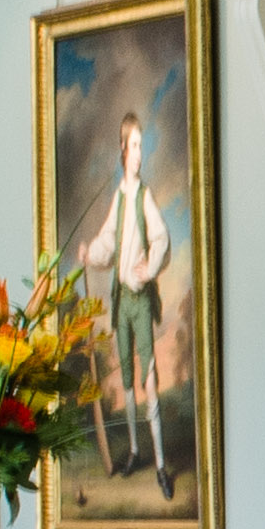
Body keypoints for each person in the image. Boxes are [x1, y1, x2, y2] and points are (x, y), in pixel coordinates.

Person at [83, 102, 178, 481]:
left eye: (142, 145)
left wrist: (148, 270)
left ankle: (159, 463)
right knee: (126, 380)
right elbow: (109, 240)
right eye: (134, 146)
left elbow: (161, 238)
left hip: (138, 300)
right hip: (120, 302)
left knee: (149, 377)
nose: (139, 153)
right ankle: (136, 453)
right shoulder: (120, 197)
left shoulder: (143, 197)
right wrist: (90, 253)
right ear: (122, 150)